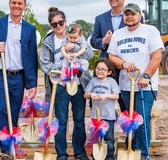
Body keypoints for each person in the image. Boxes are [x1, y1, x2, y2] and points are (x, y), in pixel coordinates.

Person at [0, 0, 38, 159]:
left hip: (18, 77)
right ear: (9, 4)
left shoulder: (30, 29)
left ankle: (13, 147)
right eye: (14, 2)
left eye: (20, 3)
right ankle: (6, 151)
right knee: (1, 111)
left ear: (24, 6)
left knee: (13, 114)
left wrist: (32, 84)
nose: (16, 6)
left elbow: (33, 57)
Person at [107, 3, 164, 160]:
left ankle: (143, 154)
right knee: (130, 120)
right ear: (123, 16)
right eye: (127, 14)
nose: (129, 17)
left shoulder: (150, 31)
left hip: (145, 86)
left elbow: (157, 56)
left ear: (140, 16)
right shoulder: (118, 34)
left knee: (142, 119)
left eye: (133, 14)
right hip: (125, 85)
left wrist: (146, 76)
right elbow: (111, 56)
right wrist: (123, 64)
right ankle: (132, 149)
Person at [39, 7, 92, 160]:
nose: (58, 26)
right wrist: (63, 70)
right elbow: (45, 63)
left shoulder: (77, 34)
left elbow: (88, 54)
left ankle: (79, 151)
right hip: (60, 85)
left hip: (79, 83)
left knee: (79, 120)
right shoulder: (48, 41)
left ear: (65, 22)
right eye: (54, 24)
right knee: (61, 121)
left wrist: (74, 47)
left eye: (60, 22)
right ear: (51, 25)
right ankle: (61, 153)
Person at [90, 0, 126, 112]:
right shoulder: (100, 19)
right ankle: (103, 127)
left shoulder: (132, 16)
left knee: (125, 101)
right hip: (106, 66)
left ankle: (128, 128)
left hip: (125, 65)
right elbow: (93, 41)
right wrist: (104, 41)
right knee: (96, 100)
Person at [84, 58, 120, 160]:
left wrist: (106, 95)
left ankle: (109, 156)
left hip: (108, 116)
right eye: (98, 68)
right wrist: (91, 94)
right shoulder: (93, 81)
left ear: (109, 72)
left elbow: (117, 96)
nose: (100, 71)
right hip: (95, 116)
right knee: (95, 138)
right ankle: (97, 156)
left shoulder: (111, 82)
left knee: (109, 138)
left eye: (103, 69)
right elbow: (85, 94)